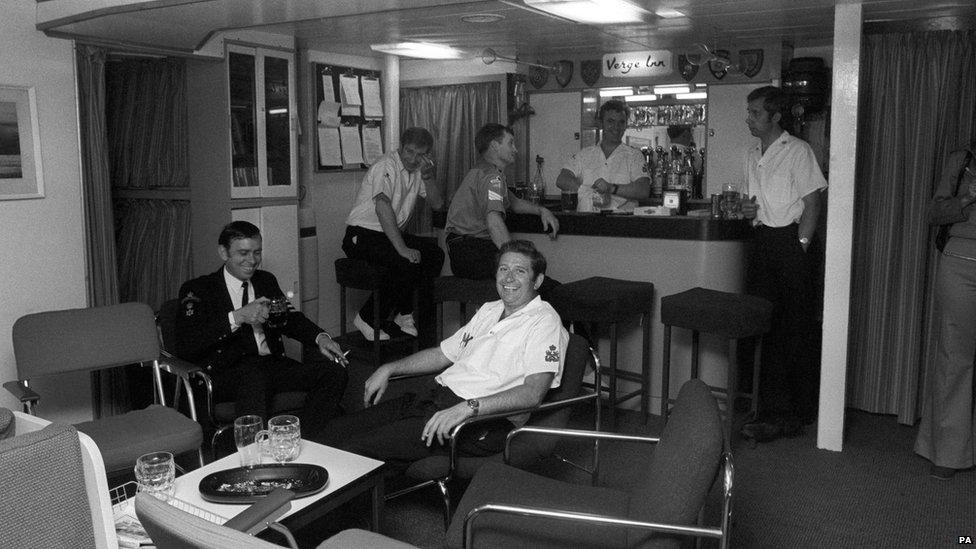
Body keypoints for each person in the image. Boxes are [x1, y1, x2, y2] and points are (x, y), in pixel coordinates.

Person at [315, 240, 568, 471]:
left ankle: (332, 516)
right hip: (433, 398)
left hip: (480, 420)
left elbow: (533, 393)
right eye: (503, 269)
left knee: (354, 452)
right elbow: (442, 354)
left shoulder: (544, 322)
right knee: (334, 432)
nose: (508, 277)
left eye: (520, 271)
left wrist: (467, 409)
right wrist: (389, 368)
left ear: (537, 281)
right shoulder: (491, 309)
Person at [175, 221, 349, 436]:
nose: (252, 261)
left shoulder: (266, 280)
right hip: (225, 372)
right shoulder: (199, 289)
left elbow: (290, 319)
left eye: (257, 252)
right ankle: (255, 456)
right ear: (223, 252)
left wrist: (320, 338)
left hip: (271, 366)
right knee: (253, 376)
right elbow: (187, 344)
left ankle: (304, 440)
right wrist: (237, 317)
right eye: (243, 253)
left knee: (334, 372)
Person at [737, 86, 827, 442]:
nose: (749, 118)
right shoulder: (751, 153)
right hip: (762, 241)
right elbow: (754, 204)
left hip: (790, 241)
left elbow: (812, 203)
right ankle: (767, 406)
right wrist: (747, 211)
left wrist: (800, 248)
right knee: (762, 326)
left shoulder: (798, 151)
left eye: (755, 112)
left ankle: (791, 414)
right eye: (749, 111)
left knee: (792, 329)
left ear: (775, 116)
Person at [343, 127, 445, 342]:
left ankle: (403, 313)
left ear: (427, 155)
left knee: (434, 254)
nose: (413, 159)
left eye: (420, 155)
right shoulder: (385, 165)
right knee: (405, 260)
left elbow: (437, 204)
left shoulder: (419, 170)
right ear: (400, 147)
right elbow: (382, 207)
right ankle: (366, 317)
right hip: (361, 235)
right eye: (409, 152)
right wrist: (403, 248)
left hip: (386, 234)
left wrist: (428, 176)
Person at [915, 140, 976, 480]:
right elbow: (934, 214)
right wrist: (967, 197)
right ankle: (949, 451)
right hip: (959, 265)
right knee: (955, 358)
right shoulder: (961, 161)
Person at [444, 123, 559, 281]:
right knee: (536, 279)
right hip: (472, 251)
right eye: (510, 143)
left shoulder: (484, 172)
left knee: (535, 273)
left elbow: (515, 203)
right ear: (494, 146)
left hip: (462, 252)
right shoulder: (492, 178)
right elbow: (494, 222)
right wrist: (515, 260)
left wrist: (542, 210)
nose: (515, 149)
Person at [556, 99, 649, 213]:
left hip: (623, 224)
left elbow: (643, 190)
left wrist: (611, 188)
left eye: (621, 122)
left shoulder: (635, 156)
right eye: (610, 121)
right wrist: (588, 192)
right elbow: (562, 179)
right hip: (587, 222)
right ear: (601, 123)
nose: (616, 127)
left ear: (626, 125)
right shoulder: (584, 154)